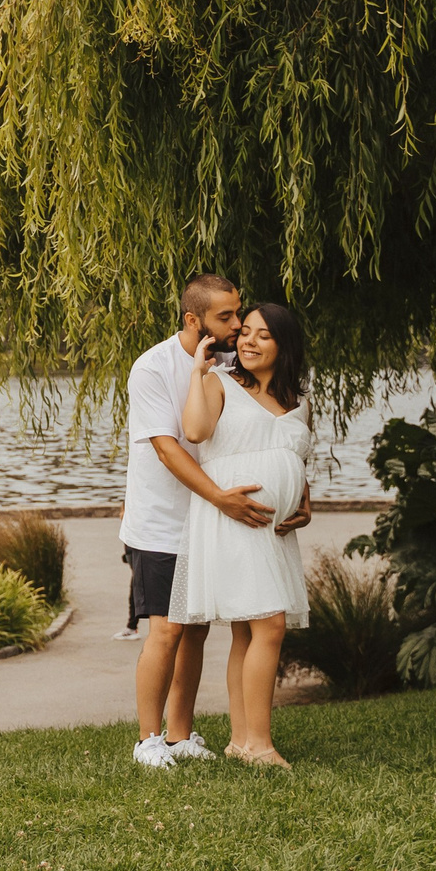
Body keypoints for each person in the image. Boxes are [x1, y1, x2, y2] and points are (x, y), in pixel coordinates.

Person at [122, 274, 298, 771]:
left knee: (196, 629)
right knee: (166, 629)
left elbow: (272, 427)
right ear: (192, 320)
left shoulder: (230, 361)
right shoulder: (153, 368)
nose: (238, 325)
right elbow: (167, 446)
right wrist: (220, 497)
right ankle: (148, 739)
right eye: (226, 317)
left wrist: (294, 494)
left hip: (210, 522)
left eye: (238, 313)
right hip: (163, 520)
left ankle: (180, 734)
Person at [167, 300, 315, 769]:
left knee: (248, 634)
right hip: (234, 518)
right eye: (244, 332)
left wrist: (303, 500)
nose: (247, 341)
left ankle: (241, 742)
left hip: (272, 528)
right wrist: (197, 372)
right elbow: (193, 430)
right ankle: (262, 747)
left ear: (284, 345)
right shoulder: (219, 383)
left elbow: (292, 458)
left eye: (262, 335)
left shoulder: (299, 401)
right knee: (268, 626)